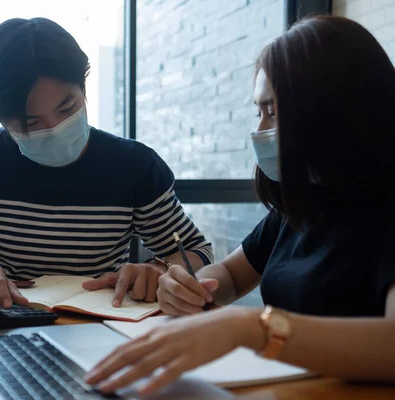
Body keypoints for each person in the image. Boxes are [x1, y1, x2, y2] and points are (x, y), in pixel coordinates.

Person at [84, 15, 395, 395]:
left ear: (337, 108)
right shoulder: (300, 205)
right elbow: (230, 276)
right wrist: (191, 289)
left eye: (274, 112)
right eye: (258, 112)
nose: (260, 129)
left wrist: (249, 328)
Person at [0, 17, 213, 308]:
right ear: (1, 120)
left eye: (67, 108)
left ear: (83, 88)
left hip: (106, 331)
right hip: (2, 328)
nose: (54, 128)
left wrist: (161, 270)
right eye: (30, 122)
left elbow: (198, 252)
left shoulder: (134, 166)